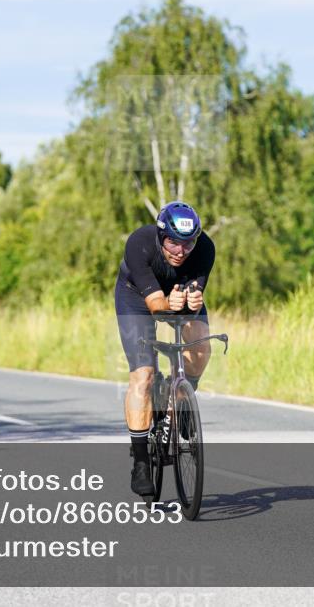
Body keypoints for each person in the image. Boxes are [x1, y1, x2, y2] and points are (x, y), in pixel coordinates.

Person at [114, 201, 215, 496]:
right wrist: (167, 307)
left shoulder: (205, 248)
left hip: (177, 295)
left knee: (201, 343)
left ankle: (182, 397)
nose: (180, 251)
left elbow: (194, 298)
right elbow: (156, 306)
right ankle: (142, 460)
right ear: (160, 236)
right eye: (173, 242)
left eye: (188, 243)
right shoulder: (139, 243)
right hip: (137, 297)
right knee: (143, 375)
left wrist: (193, 305)